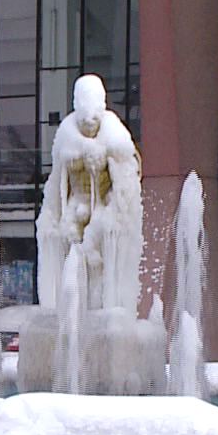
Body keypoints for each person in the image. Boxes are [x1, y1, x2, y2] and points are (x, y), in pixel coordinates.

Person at [37, 75, 143, 312]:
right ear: (76, 105)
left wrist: (101, 152)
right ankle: (73, 309)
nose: (89, 123)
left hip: (103, 207)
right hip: (76, 205)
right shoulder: (66, 132)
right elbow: (56, 183)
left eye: (95, 114)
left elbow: (125, 157)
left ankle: (104, 306)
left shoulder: (113, 129)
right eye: (84, 114)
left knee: (98, 254)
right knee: (72, 252)